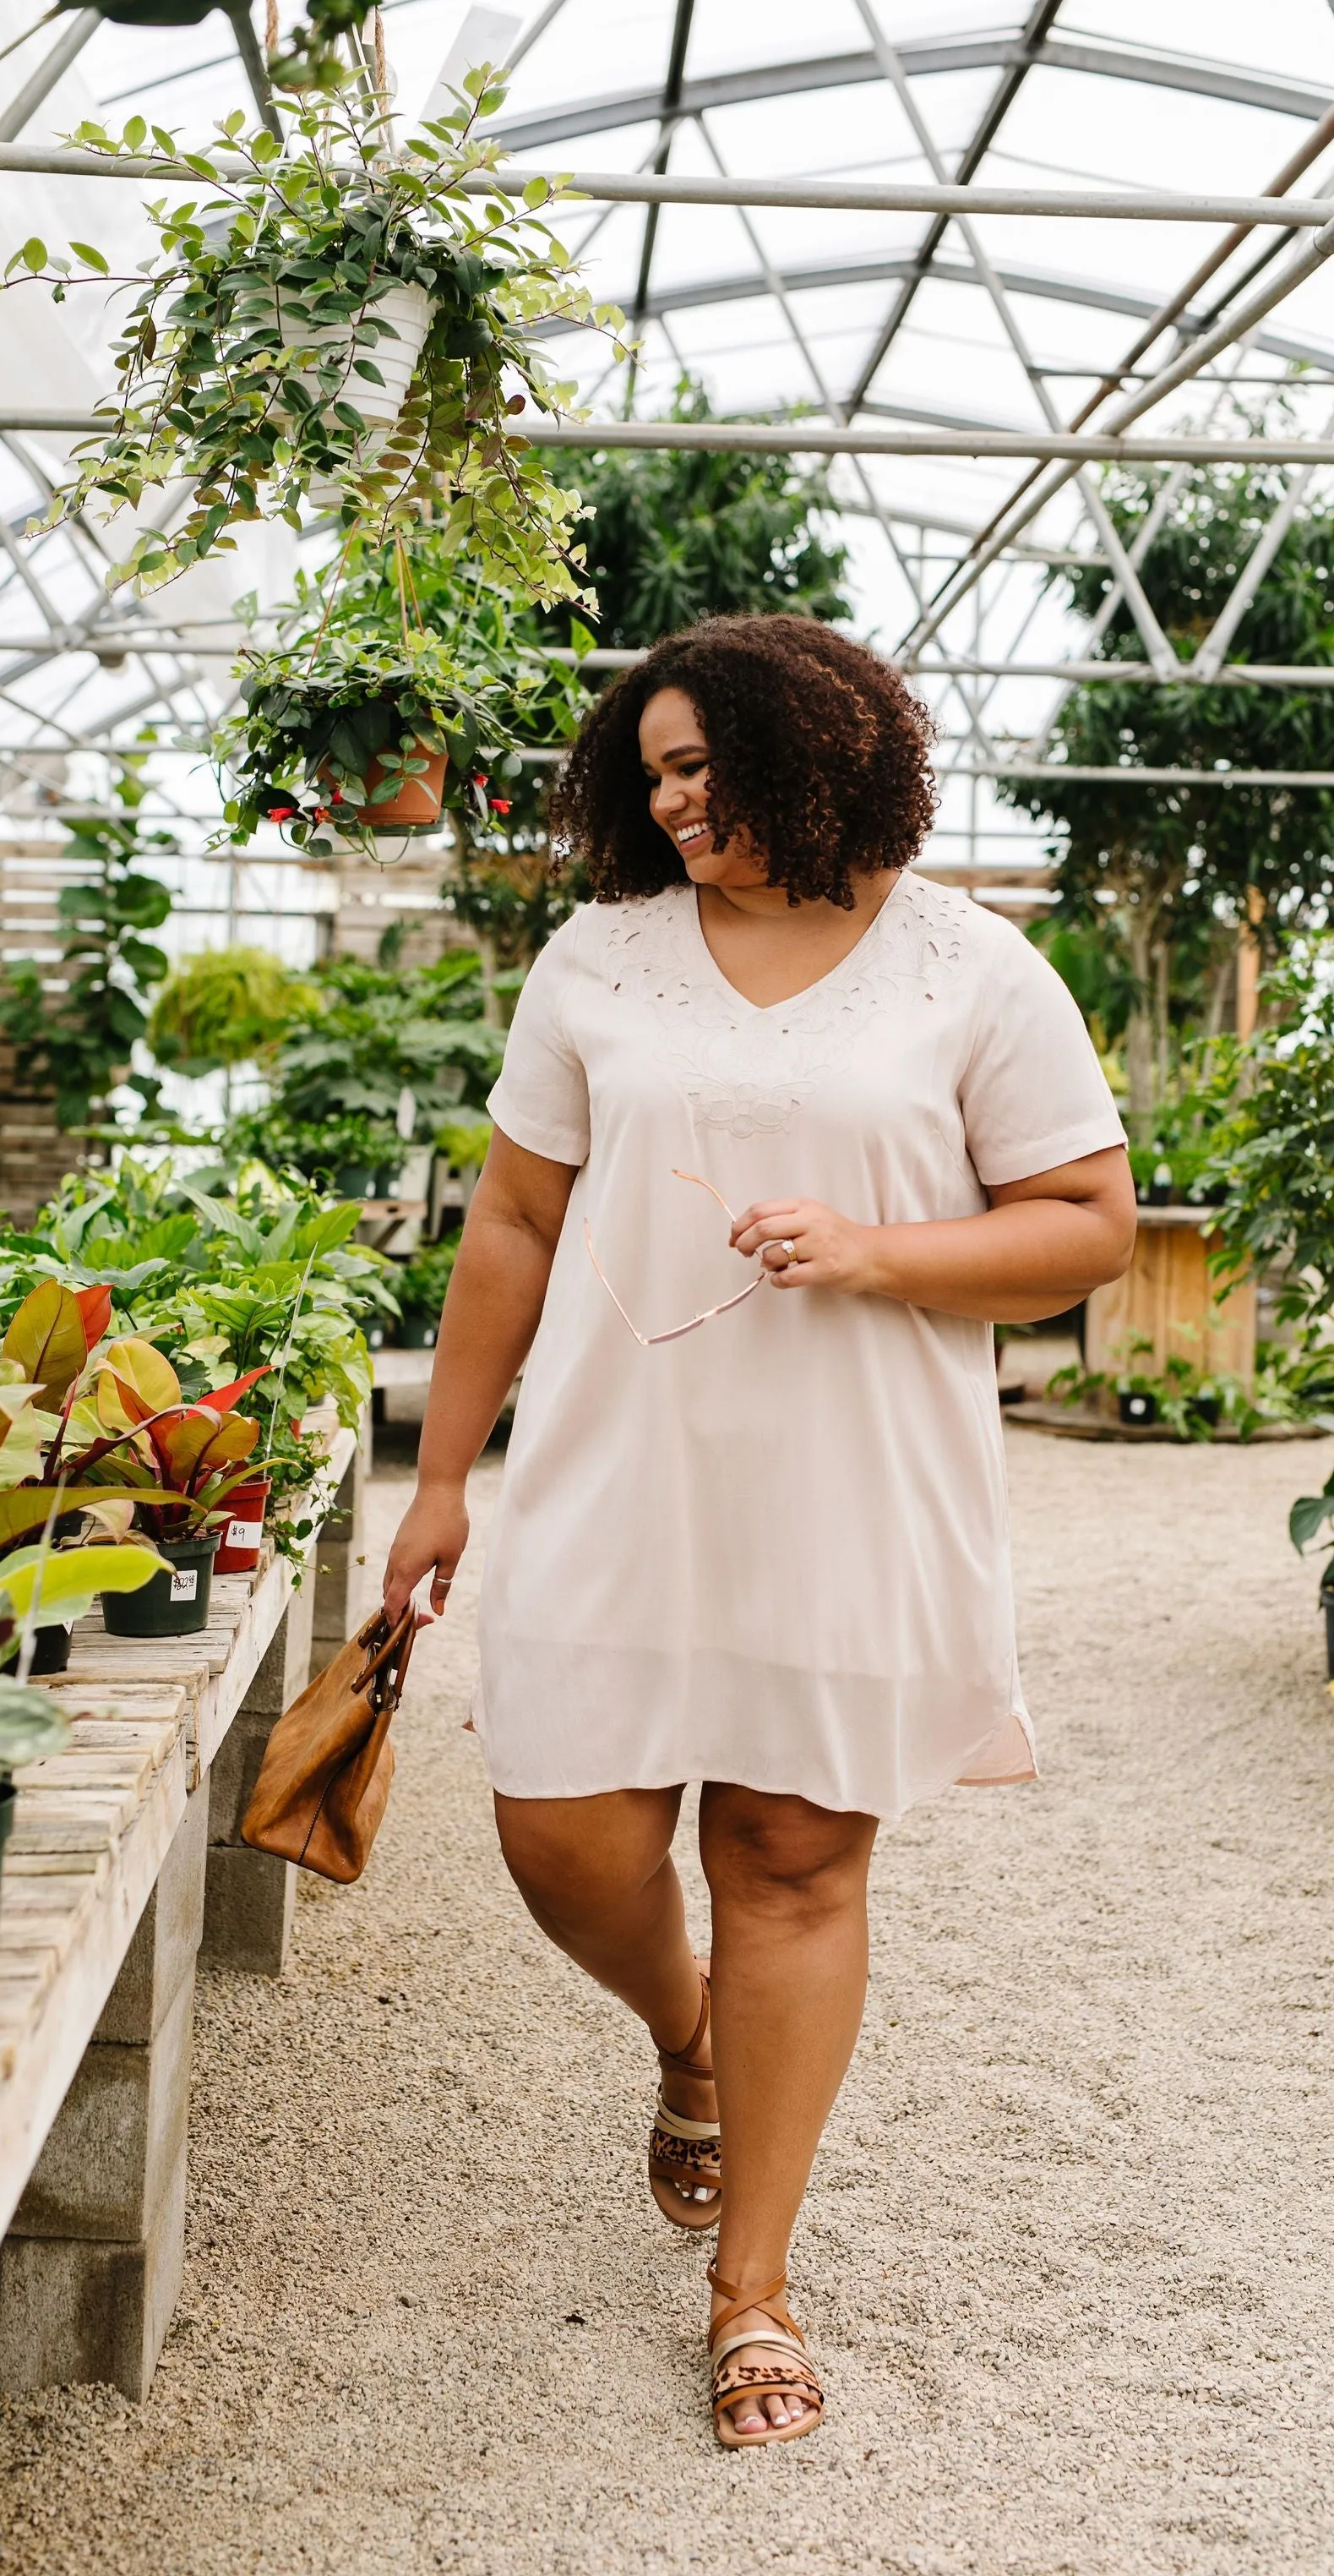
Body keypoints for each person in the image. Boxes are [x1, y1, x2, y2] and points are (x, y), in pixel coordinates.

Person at [383, 614, 1135, 2448]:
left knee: (795, 1858)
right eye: (653, 776)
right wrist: (442, 1475)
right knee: (562, 1834)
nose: (677, 801)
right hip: (609, 1472)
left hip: (853, 1485)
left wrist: (881, 1252)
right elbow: (513, 1226)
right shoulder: (603, 961)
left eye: (704, 765)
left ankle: (755, 2293)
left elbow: (1086, 1225)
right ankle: (688, 2037)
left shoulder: (975, 970)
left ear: (828, 747)